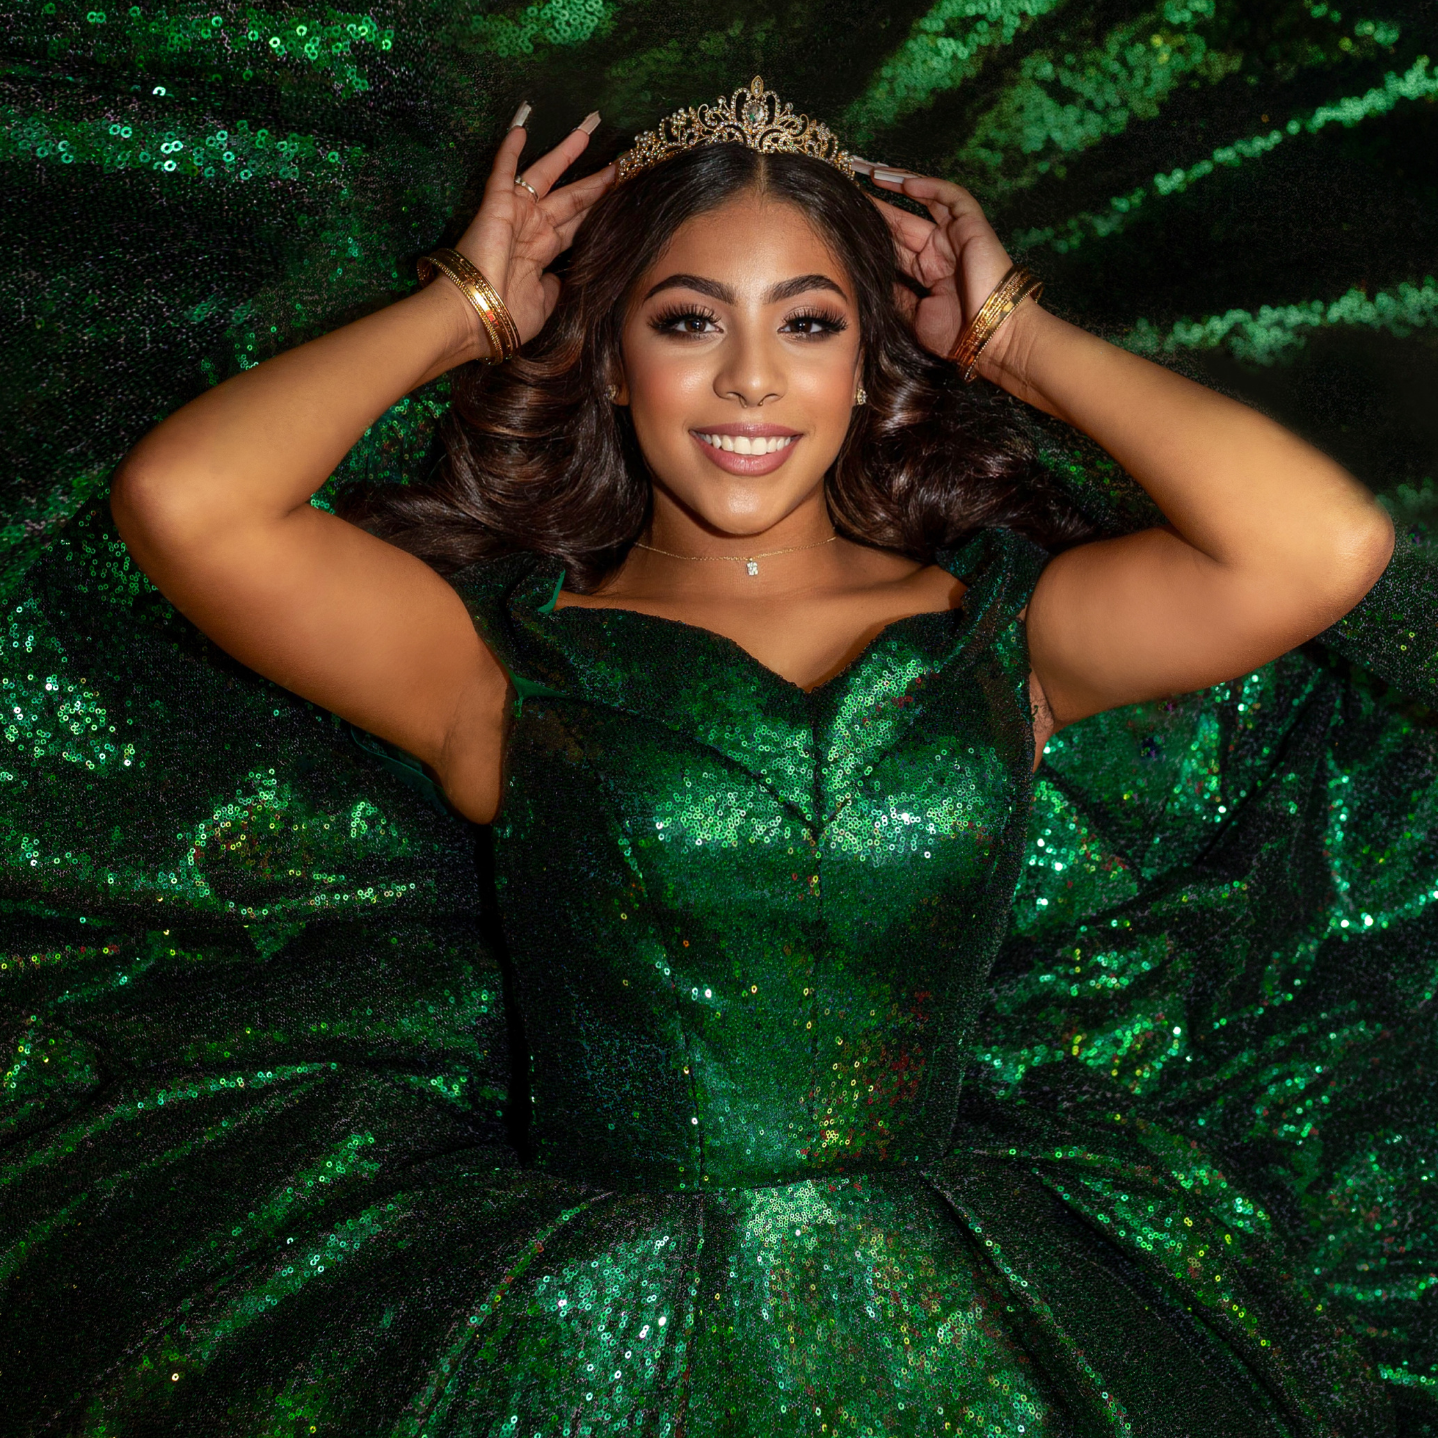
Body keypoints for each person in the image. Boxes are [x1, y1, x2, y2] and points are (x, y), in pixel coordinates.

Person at [88, 76, 1394, 1434]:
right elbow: (187, 502)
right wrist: (464, 308)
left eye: (810, 323)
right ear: (608, 356)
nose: (752, 377)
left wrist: (1011, 338)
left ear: (868, 362)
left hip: (972, 1344)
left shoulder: (1003, 634)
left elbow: (1320, 544)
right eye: (687, 320)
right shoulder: (501, 669)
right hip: (589, 1350)